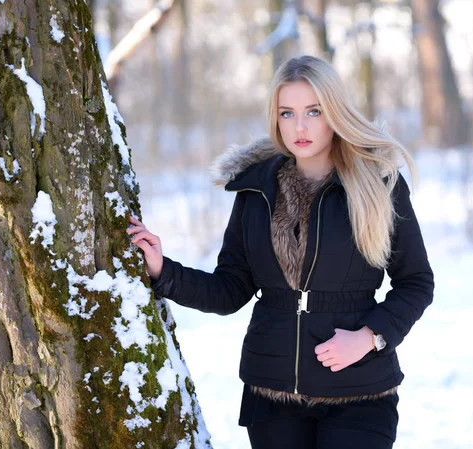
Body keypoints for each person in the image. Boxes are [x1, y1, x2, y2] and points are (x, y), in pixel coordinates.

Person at [126, 55, 434, 449]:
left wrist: (370, 337)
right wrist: (164, 270)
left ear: (335, 112)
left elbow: (416, 282)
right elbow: (231, 288)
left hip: (360, 392)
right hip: (272, 396)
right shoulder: (256, 190)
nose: (299, 126)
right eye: (287, 113)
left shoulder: (379, 183)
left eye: (313, 111)